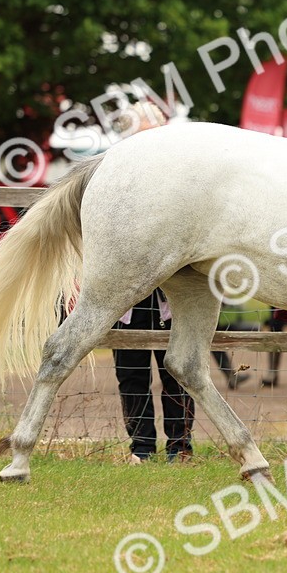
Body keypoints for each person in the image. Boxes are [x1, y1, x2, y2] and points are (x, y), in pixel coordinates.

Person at [111, 103, 196, 463]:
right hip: (126, 295)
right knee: (131, 374)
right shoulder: (112, 184)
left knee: (178, 371)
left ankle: (180, 448)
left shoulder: (182, 181)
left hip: (172, 295)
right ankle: (141, 449)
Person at [115, 288, 196, 463]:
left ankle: (180, 447)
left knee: (177, 377)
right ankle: (142, 447)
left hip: (172, 304)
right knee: (131, 378)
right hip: (126, 302)